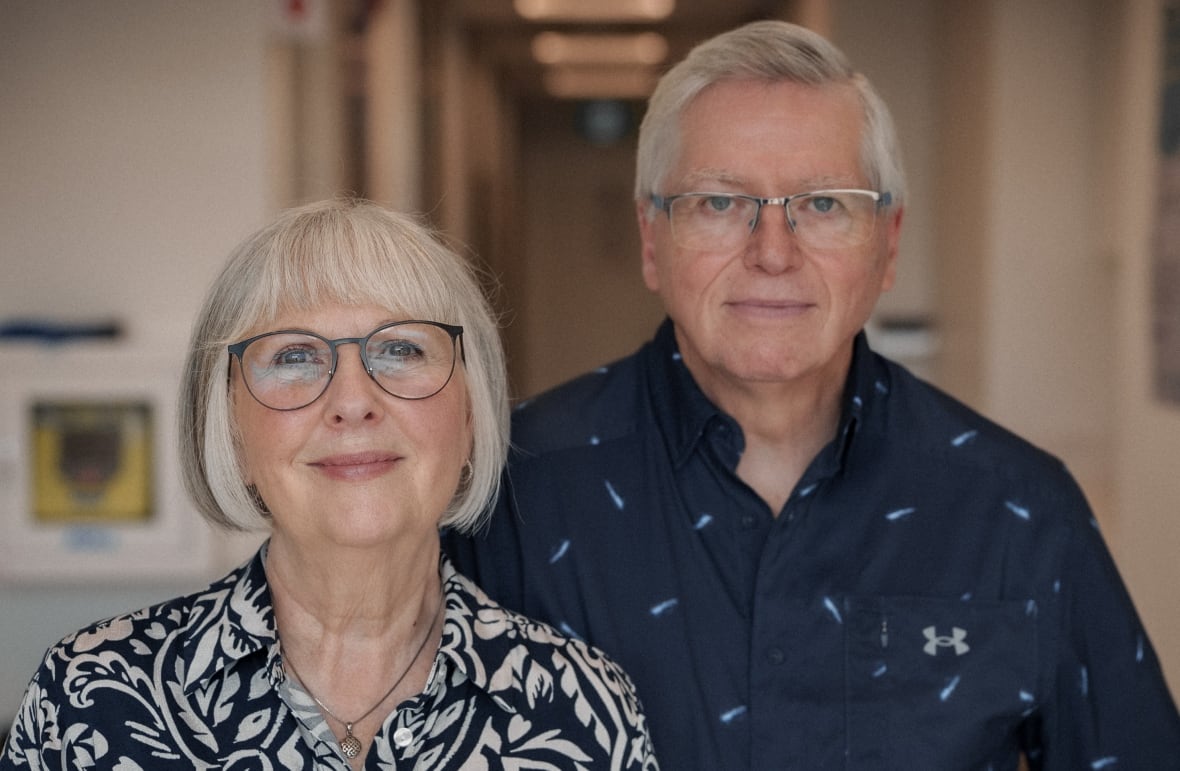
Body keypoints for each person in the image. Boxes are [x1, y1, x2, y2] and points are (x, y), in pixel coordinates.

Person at [444, 20, 1180, 769]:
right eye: (719, 203)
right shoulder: (510, 497)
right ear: (650, 240)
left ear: (888, 243)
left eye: (825, 204)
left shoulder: (1020, 509)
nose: (772, 252)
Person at [0, 200, 658, 770]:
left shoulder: (582, 707)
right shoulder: (90, 699)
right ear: (230, 424)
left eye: (400, 349)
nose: (353, 400)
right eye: (294, 355)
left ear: (470, 411)